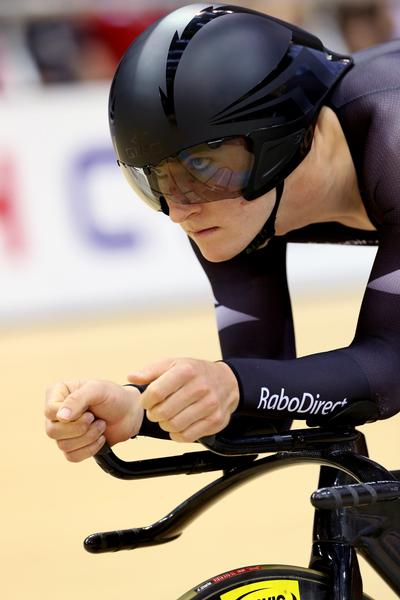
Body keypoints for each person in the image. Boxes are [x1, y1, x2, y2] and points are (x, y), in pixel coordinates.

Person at [45, 3, 400, 463]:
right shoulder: (226, 207)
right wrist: (142, 407)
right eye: (156, 181)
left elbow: (389, 368)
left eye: (204, 169)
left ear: (283, 139)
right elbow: (262, 402)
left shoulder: (391, 139)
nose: (179, 210)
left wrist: (234, 382)